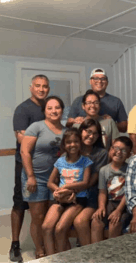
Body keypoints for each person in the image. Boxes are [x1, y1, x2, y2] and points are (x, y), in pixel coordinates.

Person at [20, 96, 66, 259]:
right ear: (44, 111)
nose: (54, 111)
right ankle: (40, 249)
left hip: (55, 180)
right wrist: (31, 176)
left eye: (57, 107)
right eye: (50, 108)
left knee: (52, 215)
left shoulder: (65, 130)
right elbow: (24, 152)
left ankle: (51, 245)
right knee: (38, 217)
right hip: (35, 179)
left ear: (62, 109)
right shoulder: (36, 127)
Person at [10, 74, 50, 262]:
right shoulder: (23, 109)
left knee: (45, 206)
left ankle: (45, 242)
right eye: (38, 86)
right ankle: (15, 244)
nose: (42, 89)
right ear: (31, 87)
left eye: (45, 86)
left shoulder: (50, 107)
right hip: (25, 164)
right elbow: (22, 139)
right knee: (20, 203)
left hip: (47, 166)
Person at [42, 128, 93, 255]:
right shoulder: (60, 161)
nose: (72, 145)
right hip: (60, 198)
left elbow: (85, 183)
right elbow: (50, 183)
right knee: (46, 227)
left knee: (60, 228)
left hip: (77, 199)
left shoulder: (85, 161)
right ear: (64, 145)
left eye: (75, 141)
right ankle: (50, 257)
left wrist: (67, 187)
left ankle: (63, 258)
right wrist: (58, 190)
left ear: (80, 143)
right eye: (69, 142)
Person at [73, 119, 108, 246]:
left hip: (91, 194)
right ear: (81, 131)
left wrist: (71, 190)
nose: (91, 136)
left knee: (79, 221)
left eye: (95, 133)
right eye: (88, 131)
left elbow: (90, 182)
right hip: (74, 195)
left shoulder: (101, 153)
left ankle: (89, 255)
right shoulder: (73, 150)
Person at [91, 137, 132, 243]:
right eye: (116, 148)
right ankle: (96, 254)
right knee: (96, 221)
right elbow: (102, 192)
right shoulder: (103, 170)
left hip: (124, 205)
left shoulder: (130, 170)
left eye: (123, 150)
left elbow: (128, 193)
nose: (118, 152)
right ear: (110, 149)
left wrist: (118, 211)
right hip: (109, 202)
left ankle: (111, 256)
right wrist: (101, 207)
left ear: (129, 155)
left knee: (115, 223)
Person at [66, 68, 128, 133]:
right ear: (90, 81)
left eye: (103, 79)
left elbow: (124, 128)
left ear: (107, 82)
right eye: (96, 78)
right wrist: (74, 121)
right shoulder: (78, 101)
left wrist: (109, 123)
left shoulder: (116, 102)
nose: (99, 81)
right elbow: (68, 125)